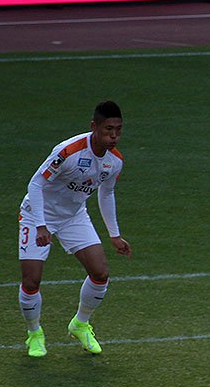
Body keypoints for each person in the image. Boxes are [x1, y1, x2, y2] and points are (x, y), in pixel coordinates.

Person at [17, 100, 131, 358]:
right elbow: (35, 184)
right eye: (108, 129)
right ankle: (34, 333)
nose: (114, 136)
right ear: (94, 127)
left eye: (118, 130)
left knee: (100, 273)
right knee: (31, 280)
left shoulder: (115, 161)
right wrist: (41, 225)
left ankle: (80, 324)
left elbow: (106, 193)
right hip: (37, 214)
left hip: (73, 216)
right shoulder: (68, 151)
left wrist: (114, 235)